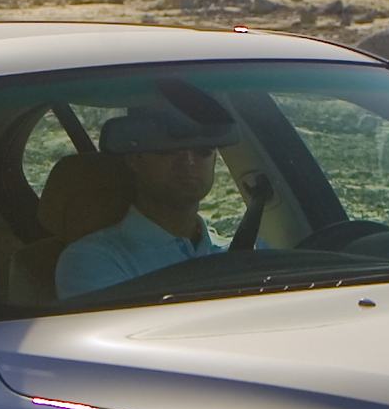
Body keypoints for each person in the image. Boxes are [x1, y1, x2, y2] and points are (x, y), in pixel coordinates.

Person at [53, 106, 270, 298]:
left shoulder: (246, 250)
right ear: (134, 158)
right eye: (168, 148)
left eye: (203, 149)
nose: (189, 160)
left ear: (214, 159)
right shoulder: (93, 261)